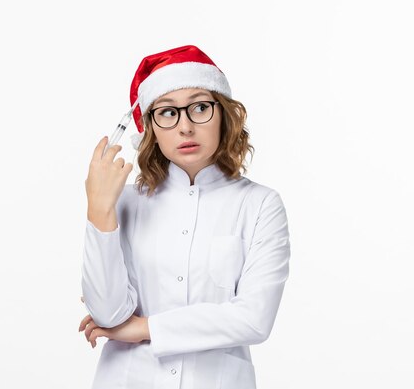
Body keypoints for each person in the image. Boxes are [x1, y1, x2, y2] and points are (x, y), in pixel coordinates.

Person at [78, 45, 290, 389]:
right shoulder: (124, 202)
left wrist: (145, 328)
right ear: (150, 128)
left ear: (224, 115)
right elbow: (108, 313)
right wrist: (98, 210)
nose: (185, 126)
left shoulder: (259, 205)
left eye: (200, 107)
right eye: (167, 113)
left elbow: (254, 319)